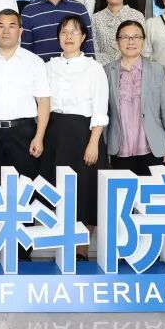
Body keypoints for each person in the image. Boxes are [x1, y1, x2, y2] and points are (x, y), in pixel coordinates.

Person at [0, 9, 50, 260]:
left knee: (24, 190)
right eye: (0, 25)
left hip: (24, 132)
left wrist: (39, 136)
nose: (6, 30)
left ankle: (22, 250)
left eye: (11, 25)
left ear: (20, 31)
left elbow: (43, 101)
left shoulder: (33, 61)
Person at [44, 16, 109, 258]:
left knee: (85, 191)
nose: (69, 36)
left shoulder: (94, 68)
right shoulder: (48, 66)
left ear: (83, 37)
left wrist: (93, 143)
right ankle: (63, 248)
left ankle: (81, 250)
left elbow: (100, 107)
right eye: (64, 32)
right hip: (54, 133)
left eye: (74, 32)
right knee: (58, 189)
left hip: (84, 134)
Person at [104, 19, 165, 176]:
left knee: (152, 191)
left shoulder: (157, 70)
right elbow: (105, 113)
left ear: (143, 41)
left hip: (152, 147)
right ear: (117, 42)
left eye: (136, 37)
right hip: (119, 148)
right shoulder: (107, 71)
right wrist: (103, 147)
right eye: (125, 37)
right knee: (123, 191)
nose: (131, 41)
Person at [91, 0, 147, 66]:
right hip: (103, 70)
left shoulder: (137, 16)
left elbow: (142, 48)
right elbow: (94, 51)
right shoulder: (95, 18)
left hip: (132, 69)